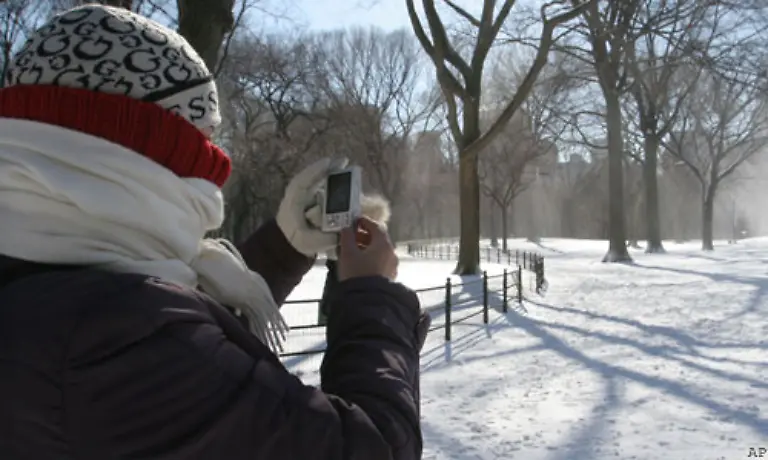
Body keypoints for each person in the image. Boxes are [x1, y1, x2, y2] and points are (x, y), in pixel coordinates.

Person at [0, 5, 430, 460]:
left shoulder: (43, 272)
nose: (214, 166)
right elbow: (374, 447)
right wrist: (372, 296)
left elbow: (193, 353)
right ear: (148, 150)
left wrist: (285, 247)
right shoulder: (115, 344)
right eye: (203, 139)